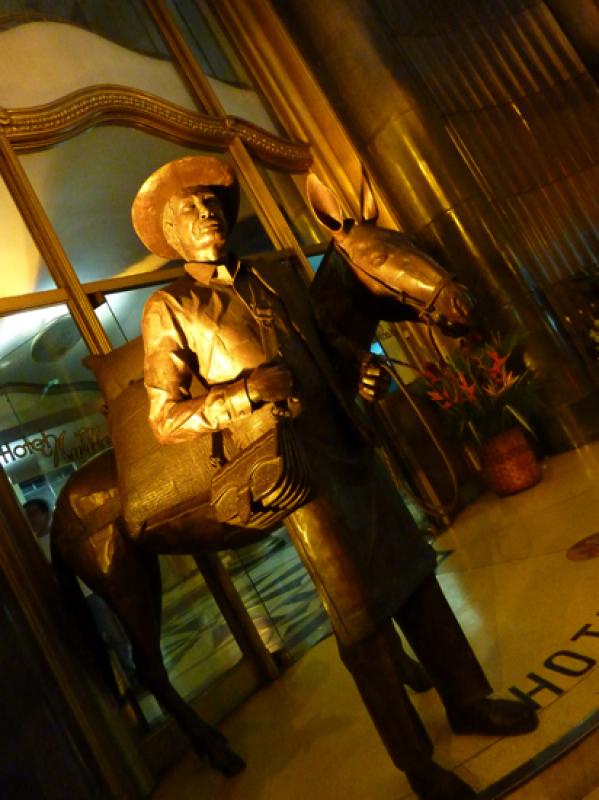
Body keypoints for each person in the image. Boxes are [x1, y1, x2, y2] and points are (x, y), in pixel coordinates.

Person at [133, 156, 537, 800]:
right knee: (363, 623)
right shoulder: (172, 308)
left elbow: (329, 345)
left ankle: (470, 699)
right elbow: (165, 419)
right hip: (298, 475)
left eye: (211, 202)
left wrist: (361, 372)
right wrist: (242, 392)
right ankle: (416, 764)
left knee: (415, 578)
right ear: (172, 237)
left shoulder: (273, 277)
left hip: (349, 446)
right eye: (189, 209)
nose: (206, 213)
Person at [23, 497, 138, 688]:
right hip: (69, 601)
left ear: (46, 514)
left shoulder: (60, 538)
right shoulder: (32, 548)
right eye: (28, 516)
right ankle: (113, 684)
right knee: (92, 643)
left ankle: (132, 672)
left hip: (88, 592)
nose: (31, 520)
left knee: (113, 633)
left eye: (34, 514)